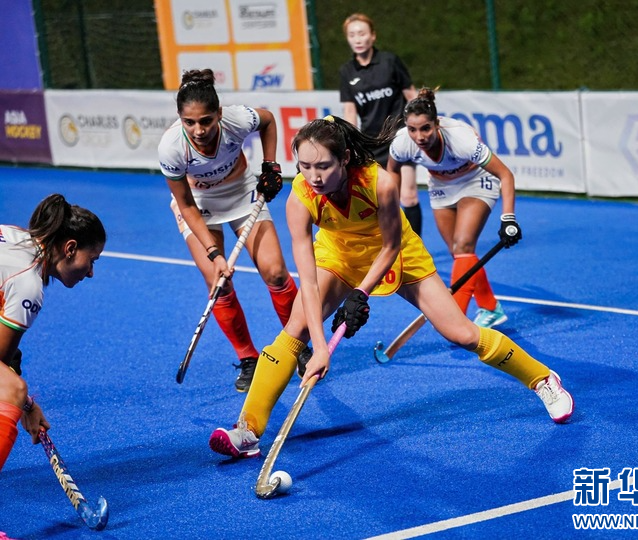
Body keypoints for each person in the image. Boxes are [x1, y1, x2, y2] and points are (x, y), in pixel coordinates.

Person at [207, 115, 574, 460]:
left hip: (396, 253)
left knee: (461, 333)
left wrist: (360, 294)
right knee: (295, 330)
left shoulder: (379, 182)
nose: (314, 177)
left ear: (344, 159)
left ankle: (543, 380)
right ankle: (248, 430)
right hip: (338, 254)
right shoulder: (299, 198)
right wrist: (319, 348)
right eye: (304, 166)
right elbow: (309, 279)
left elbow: (390, 246)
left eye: (323, 166)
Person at [158, 68, 305, 392]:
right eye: (189, 122)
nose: (198, 130)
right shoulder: (171, 148)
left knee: (276, 273)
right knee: (218, 283)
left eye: (206, 121)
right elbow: (185, 205)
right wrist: (214, 253)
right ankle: (248, 357)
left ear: (219, 114)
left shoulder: (236, 120)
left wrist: (270, 166)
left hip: (241, 192)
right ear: (180, 119)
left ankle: (298, 344)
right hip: (197, 204)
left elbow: (268, 121)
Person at [388, 87, 516, 329]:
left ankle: (456, 320)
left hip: (476, 180)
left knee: (463, 245)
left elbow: (505, 175)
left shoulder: (461, 139)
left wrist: (508, 218)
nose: (419, 136)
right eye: (413, 129)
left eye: (425, 128)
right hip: (441, 186)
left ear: (437, 124)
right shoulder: (402, 142)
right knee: (459, 255)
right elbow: (392, 171)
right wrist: (390, 207)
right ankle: (490, 308)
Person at [0, 194, 106, 471]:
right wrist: (25, 405)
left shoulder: (14, 234)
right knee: (13, 389)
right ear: (70, 248)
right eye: (92, 260)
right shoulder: (28, 285)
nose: (91, 272)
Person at [339, 12, 423, 237]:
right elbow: (350, 112)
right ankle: (390, 243)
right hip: (372, 143)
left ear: (373, 36)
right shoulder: (346, 72)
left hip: (401, 137)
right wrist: (350, 141)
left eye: (362, 33)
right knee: (384, 198)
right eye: (352, 35)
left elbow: (411, 95)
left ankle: (415, 247)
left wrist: (424, 122)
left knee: (408, 195)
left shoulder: (390, 61)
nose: (357, 39)